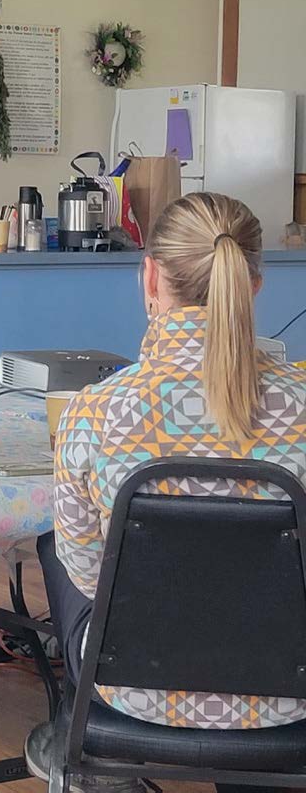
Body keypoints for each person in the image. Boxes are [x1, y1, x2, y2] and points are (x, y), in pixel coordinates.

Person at [25, 192, 306, 793]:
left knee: (58, 550)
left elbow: (90, 575)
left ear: (150, 277)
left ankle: (79, 745)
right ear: (254, 286)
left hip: (132, 692)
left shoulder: (93, 413)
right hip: (293, 698)